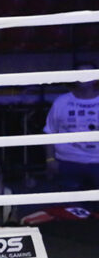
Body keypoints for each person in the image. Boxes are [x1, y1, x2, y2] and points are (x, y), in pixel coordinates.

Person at [43, 62, 99, 191]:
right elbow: (49, 132)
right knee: (69, 202)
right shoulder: (61, 102)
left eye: (88, 73)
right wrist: (50, 160)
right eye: (80, 73)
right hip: (68, 163)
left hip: (97, 162)